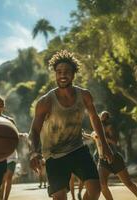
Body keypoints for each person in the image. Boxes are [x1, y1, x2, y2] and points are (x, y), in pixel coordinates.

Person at [29, 50, 114, 200]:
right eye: (59, 72)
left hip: (77, 149)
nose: (63, 75)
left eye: (67, 71)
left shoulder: (84, 95)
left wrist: (105, 145)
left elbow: (95, 119)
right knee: (60, 198)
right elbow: (34, 130)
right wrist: (34, 152)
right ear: (55, 74)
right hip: (54, 155)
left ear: (74, 74)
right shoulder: (45, 102)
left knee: (95, 190)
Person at [84, 111, 137, 200]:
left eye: (106, 117)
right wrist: (85, 134)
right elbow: (92, 136)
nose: (103, 118)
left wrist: (103, 137)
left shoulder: (110, 128)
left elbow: (115, 142)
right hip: (102, 160)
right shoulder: (96, 130)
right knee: (102, 185)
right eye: (102, 116)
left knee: (128, 183)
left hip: (115, 158)